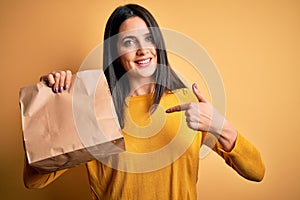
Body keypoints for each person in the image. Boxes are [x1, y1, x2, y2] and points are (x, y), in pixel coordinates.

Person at [23, 4, 265, 200]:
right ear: (115, 54)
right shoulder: (93, 109)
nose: (142, 50)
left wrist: (219, 124)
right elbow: (34, 181)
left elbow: (256, 172)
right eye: (129, 42)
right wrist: (54, 104)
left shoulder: (188, 103)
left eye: (149, 38)